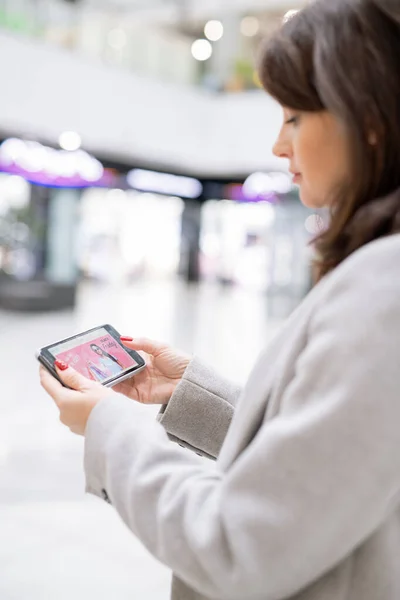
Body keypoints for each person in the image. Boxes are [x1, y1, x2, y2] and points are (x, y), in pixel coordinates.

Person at [40, 1, 400, 599]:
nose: (278, 146)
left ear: (366, 119)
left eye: (293, 118)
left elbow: (241, 546)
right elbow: (326, 461)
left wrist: (112, 427)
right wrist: (186, 394)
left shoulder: (383, 290)